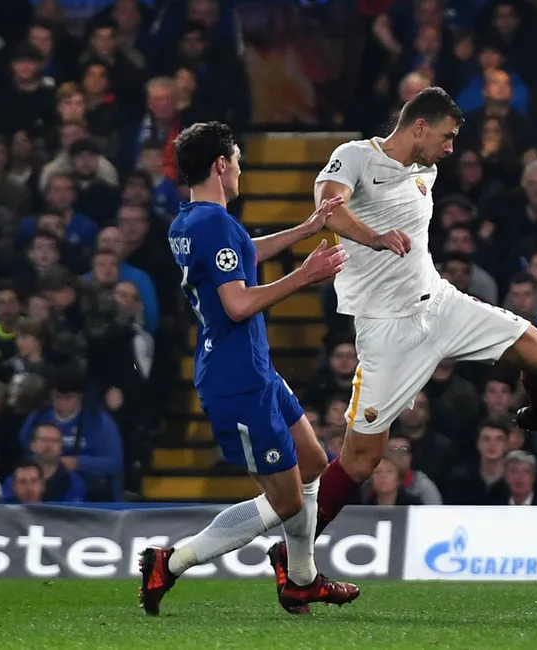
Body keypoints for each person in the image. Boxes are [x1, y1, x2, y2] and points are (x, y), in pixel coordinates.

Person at [267, 87, 537, 592]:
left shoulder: (425, 172)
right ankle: (292, 552)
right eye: (447, 137)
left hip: (442, 304)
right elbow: (329, 211)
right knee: (362, 461)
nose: (450, 148)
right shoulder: (355, 156)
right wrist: (375, 238)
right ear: (419, 127)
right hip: (387, 331)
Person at [138, 121, 357, 616]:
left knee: (314, 463)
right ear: (221, 164)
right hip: (236, 379)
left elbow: (242, 256)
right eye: (237, 159)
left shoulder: (191, 220)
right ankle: (169, 562)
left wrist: (304, 230)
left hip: (254, 368)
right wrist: (304, 275)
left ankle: (301, 579)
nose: (241, 168)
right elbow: (236, 304)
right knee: (286, 501)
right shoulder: (214, 224)